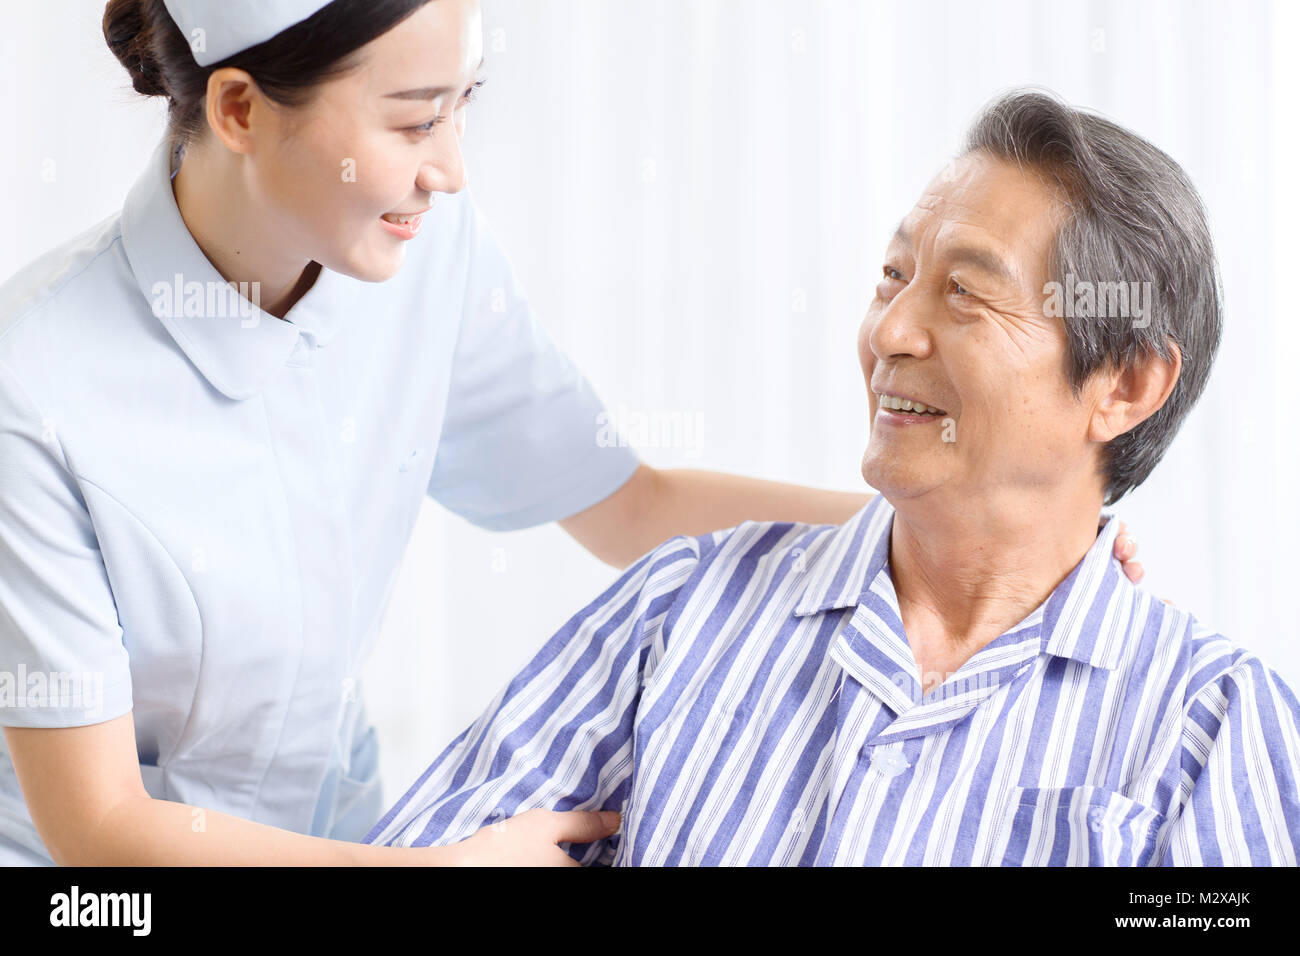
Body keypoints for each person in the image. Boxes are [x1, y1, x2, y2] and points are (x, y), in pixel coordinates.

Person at [364, 89, 1300, 866]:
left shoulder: (1213, 726)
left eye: (967, 292)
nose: (890, 333)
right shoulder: (681, 609)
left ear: (1125, 384)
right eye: (893, 277)